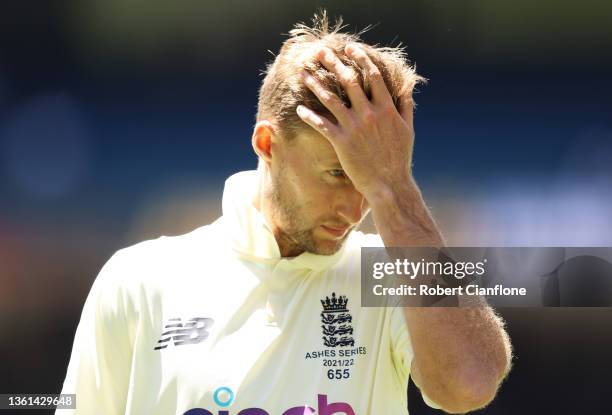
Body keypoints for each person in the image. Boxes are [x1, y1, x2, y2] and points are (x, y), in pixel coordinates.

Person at [57, 11, 512, 415]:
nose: (357, 209)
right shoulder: (138, 280)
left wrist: (394, 187)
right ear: (267, 144)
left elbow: (469, 386)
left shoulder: (392, 276)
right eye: (337, 174)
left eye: (368, 181)